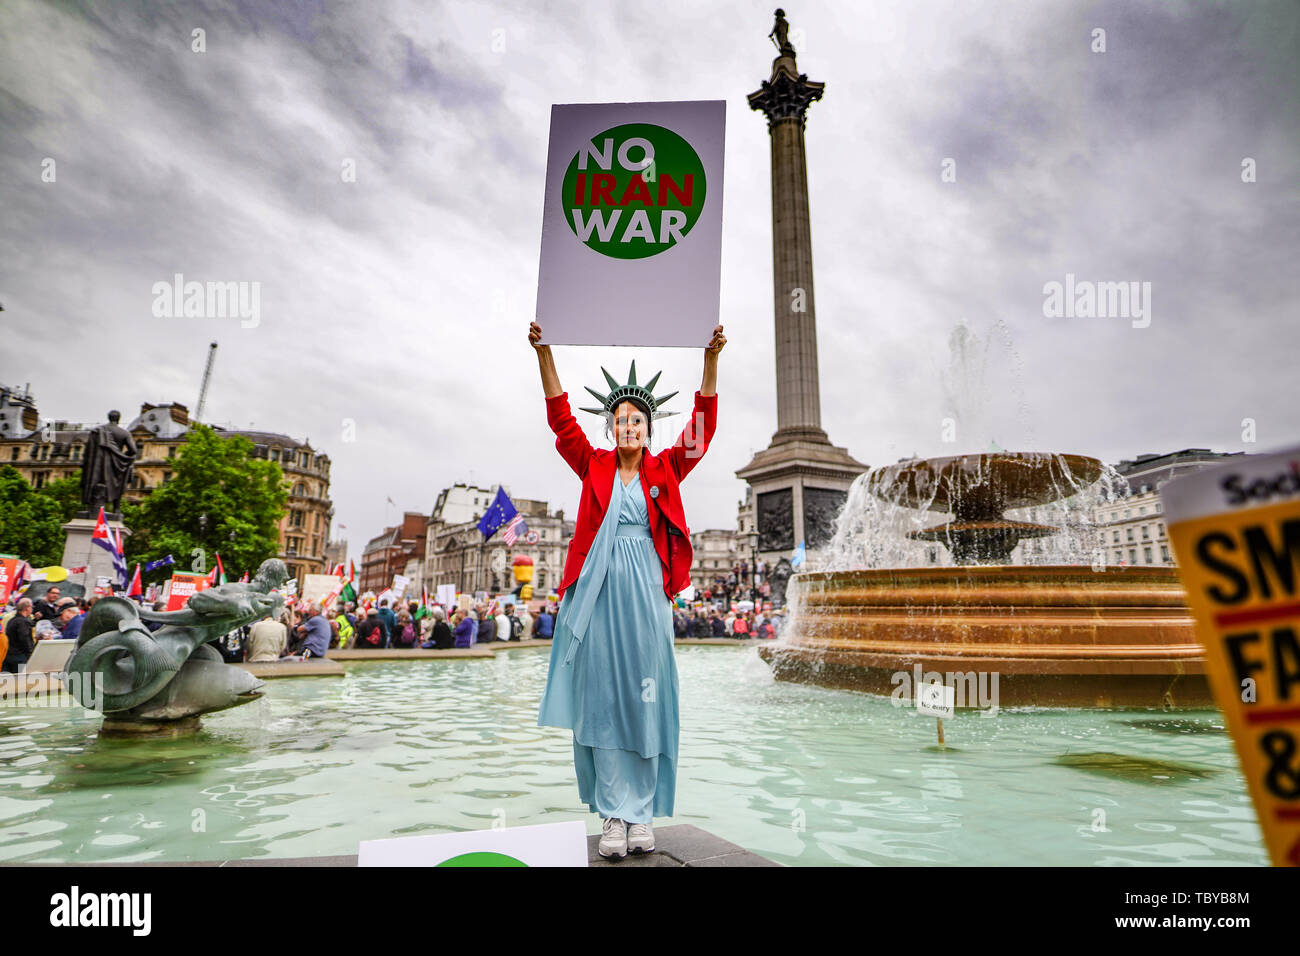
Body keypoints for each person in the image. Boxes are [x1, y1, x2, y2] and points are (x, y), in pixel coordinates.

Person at [531, 318, 724, 860]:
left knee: (647, 694)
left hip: (646, 590)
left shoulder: (666, 468)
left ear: (648, 427)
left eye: (637, 420)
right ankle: (613, 816)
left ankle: (643, 817)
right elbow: (560, 420)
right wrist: (544, 353)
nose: (629, 427)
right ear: (611, 428)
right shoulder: (592, 464)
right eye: (620, 420)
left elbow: (702, 431)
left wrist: (710, 360)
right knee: (604, 698)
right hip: (598, 589)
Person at [3, 598, 35, 672]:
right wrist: (31, 652)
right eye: (32, 607)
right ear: (27, 608)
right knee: (20, 680)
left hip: (9, 655)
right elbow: (24, 639)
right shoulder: (23, 622)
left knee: (9, 680)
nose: (32, 609)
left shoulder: (12, 620)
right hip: (20, 658)